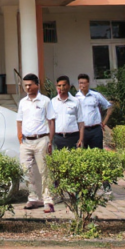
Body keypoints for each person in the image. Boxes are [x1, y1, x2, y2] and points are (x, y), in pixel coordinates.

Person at [16, 73, 55, 212]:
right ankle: (33, 198)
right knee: (26, 170)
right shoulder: (22, 102)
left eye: (30, 85)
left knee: (44, 171)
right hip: (26, 141)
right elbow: (19, 120)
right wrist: (20, 137)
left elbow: (51, 120)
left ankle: (47, 200)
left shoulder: (45, 101)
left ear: (37, 85)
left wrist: (50, 140)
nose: (27, 87)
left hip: (42, 140)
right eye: (25, 85)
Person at [75, 73, 113, 149]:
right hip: (83, 130)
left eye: (84, 83)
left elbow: (109, 106)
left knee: (98, 152)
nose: (82, 85)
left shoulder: (96, 95)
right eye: (80, 83)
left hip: (95, 129)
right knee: (83, 155)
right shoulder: (76, 98)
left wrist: (104, 122)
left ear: (88, 83)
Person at [49, 76, 85, 150]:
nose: (61, 87)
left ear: (68, 86)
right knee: (59, 160)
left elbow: (81, 122)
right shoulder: (53, 102)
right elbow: (52, 122)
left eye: (64, 85)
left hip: (73, 137)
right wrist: (50, 140)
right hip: (58, 138)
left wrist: (81, 139)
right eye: (59, 85)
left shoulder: (76, 101)